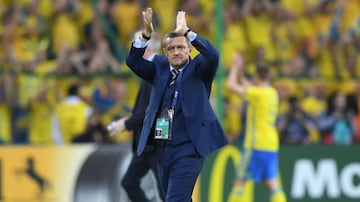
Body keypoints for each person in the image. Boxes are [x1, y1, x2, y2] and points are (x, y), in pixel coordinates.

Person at [125, 7, 228, 201]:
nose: (176, 52)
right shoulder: (159, 67)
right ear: (165, 52)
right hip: (162, 148)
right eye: (171, 48)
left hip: (189, 148)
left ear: (190, 49)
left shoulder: (199, 69)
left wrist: (187, 32)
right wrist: (146, 36)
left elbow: (213, 55)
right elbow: (133, 62)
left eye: (181, 47)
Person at [108, 31, 164, 202]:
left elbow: (152, 109)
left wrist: (126, 124)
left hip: (158, 142)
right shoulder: (149, 70)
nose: (133, 48)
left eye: (136, 43)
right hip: (146, 143)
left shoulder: (159, 70)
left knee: (166, 191)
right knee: (129, 182)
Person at [226, 56, 286, 202]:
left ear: (257, 77)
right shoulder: (272, 93)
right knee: (272, 183)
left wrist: (234, 67)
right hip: (271, 144)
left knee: (240, 181)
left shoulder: (258, 94)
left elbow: (231, 86)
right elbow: (250, 89)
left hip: (255, 145)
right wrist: (240, 73)